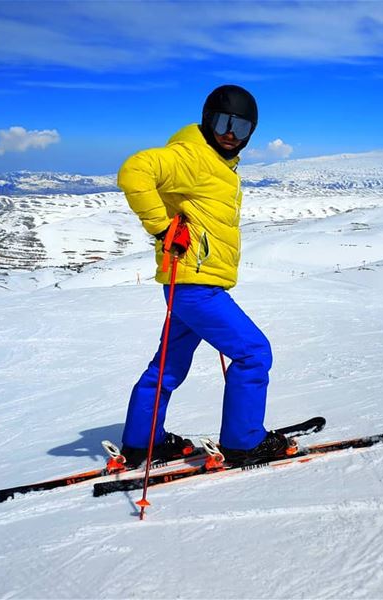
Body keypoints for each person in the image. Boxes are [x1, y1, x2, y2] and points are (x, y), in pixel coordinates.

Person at [116, 84, 289, 467]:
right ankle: (244, 441)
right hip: (197, 288)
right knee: (253, 353)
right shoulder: (193, 157)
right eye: (224, 122)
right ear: (208, 120)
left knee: (167, 366)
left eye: (241, 127)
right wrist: (161, 227)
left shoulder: (214, 164)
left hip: (186, 285)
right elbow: (134, 171)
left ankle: (142, 441)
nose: (231, 133)